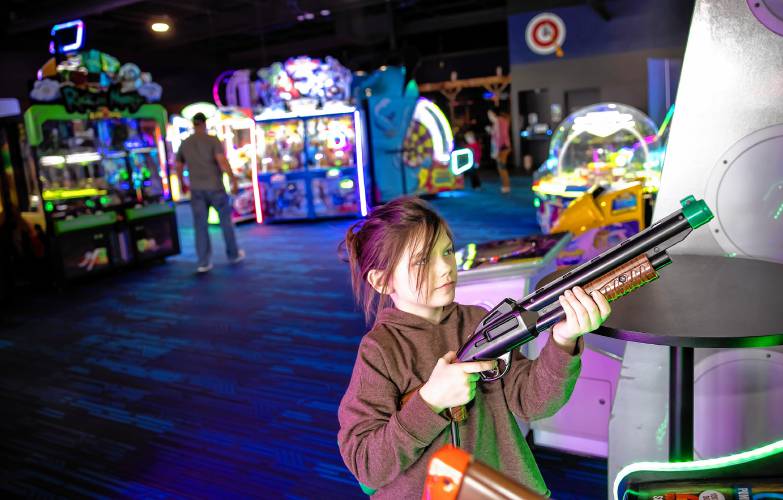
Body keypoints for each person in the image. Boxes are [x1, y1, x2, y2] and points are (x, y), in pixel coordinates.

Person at [337, 197, 611, 498]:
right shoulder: (380, 351)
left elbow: (533, 402)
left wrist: (563, 341)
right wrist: (429, 401)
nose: (446, 268)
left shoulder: (478, 321)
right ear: (382, 280)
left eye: (447, 251)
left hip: (502, 490)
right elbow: (366, 465)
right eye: (422, 260)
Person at [175, 112, 244, 273]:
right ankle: (233, 254)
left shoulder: (185, 143)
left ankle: (203, 262)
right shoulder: (212, 140)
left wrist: (182, 184)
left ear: (193, 124)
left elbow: (178, 165)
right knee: (225, 222)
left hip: (197, 189)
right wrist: (233, 180)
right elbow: (221, 161)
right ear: (205, 124)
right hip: (215, 188)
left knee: (200, 226)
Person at [487, 108, 512, 194]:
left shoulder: (498, 121)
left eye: (490, 114)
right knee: (502, 167)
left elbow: (499, 137)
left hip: (501, 148)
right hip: (504, 147)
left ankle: (506, 186)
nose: (489, 117)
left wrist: (496, 151)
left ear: (494, 114)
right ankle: (505, 185)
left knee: (501, 167)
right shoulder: (502, 121)